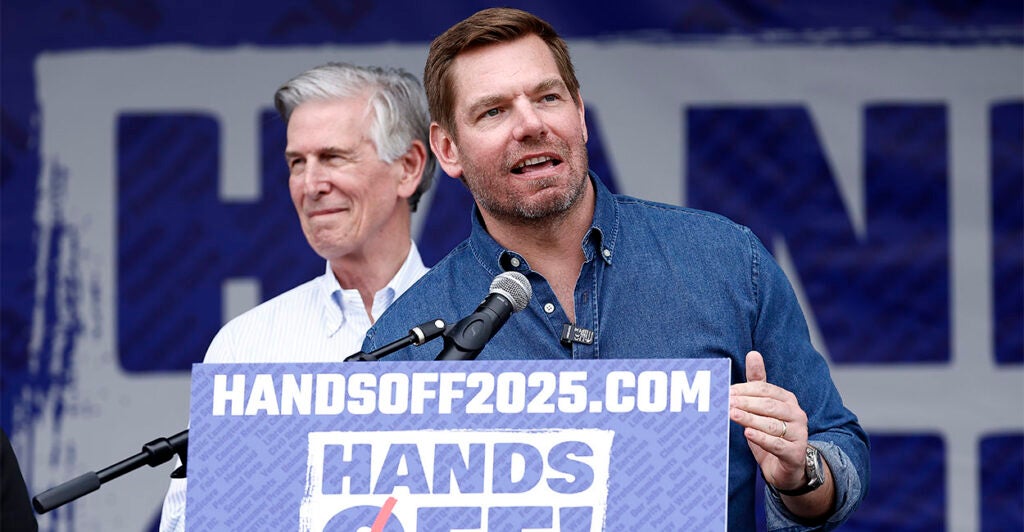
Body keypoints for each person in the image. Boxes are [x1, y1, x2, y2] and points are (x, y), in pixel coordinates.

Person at [362, 7, 869, 530]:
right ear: (448, 149)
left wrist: (800, 471)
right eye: (493, 111)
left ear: (579, 113)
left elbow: (838, 448)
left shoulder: (727, 261)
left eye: (547, 97)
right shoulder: (409, 337)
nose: (531, 124)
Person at [158, 62, 436, 531]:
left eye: (333, 157)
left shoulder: (486, 323)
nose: (310, 185)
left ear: (408, 168)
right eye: (296, 163)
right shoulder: (246, 344)